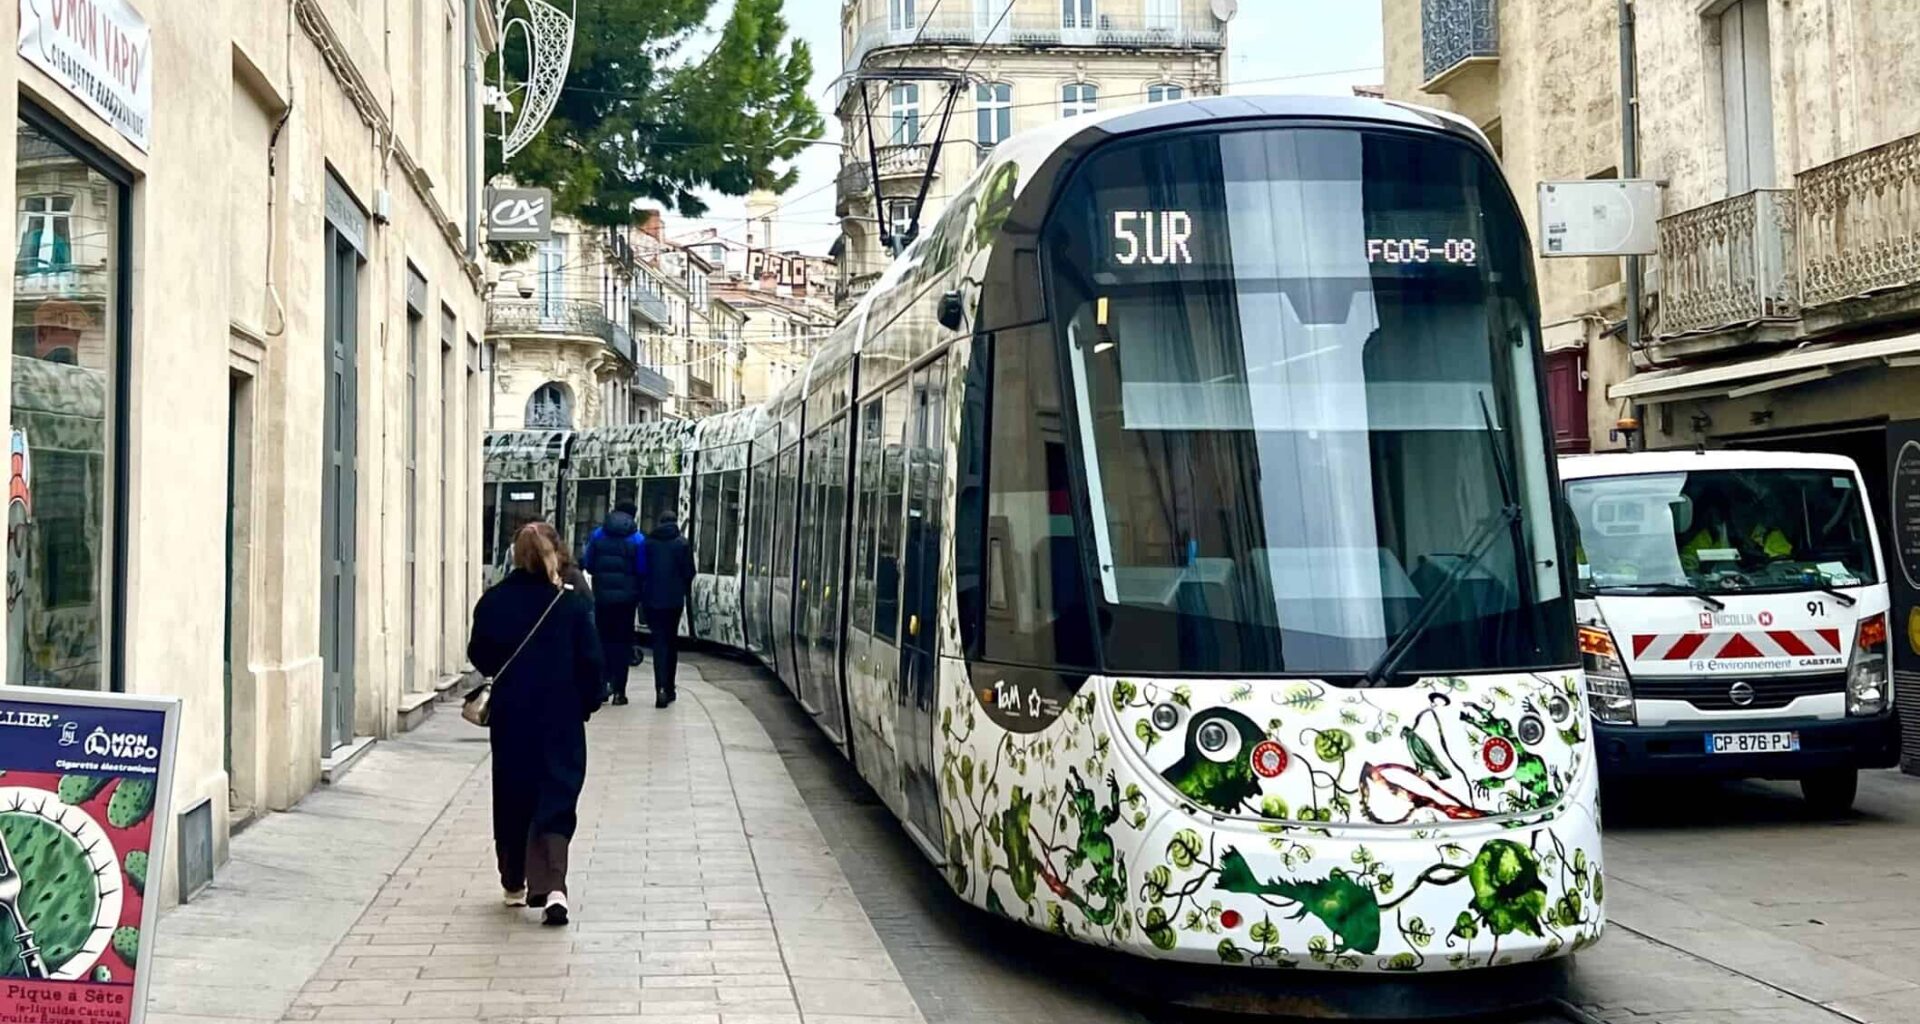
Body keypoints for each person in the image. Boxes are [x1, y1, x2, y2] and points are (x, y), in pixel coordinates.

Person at [467, 521, 603, 925]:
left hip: (512, 717)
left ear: (514, 555)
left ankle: (513, 882)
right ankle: (553, 886)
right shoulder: (572, 603)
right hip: (560, 717)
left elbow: (480, 654)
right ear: (556, 552)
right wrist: (586, 703)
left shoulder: (493, 601)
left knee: (513, 795)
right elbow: (592, 663)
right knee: (556, 796)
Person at [582, 501, 646, 705]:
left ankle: (603, 684)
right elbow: (642, 568)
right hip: (627, 600)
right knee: (622, 643)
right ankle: (620, 691)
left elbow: (588, 563)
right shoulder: (637, 538)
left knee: (602, 640)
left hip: (602, 597)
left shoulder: (598, 535)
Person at [640, 511, 697, 708]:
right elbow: (690, 572)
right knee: (671, 642)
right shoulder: (682, 543)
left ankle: (660, 689)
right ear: (675, 523)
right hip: (673, 601)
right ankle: (670, 688)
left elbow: (641, 571)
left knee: (659, 644)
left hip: (652, 600)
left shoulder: (648, 543)